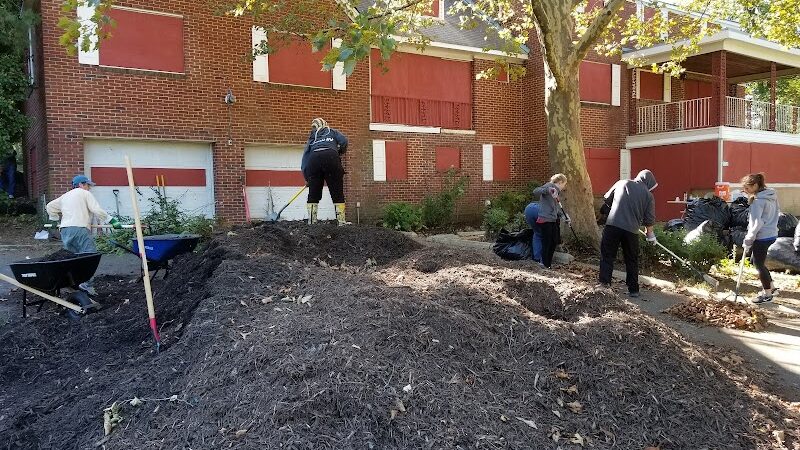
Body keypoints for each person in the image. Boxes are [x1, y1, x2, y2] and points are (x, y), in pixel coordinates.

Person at [46, 175, 121, 296]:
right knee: (89, 256)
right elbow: (95, 209)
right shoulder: (84, 193)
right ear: (81, 184)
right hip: (79, 229)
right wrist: (111, 220)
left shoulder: (65, 196)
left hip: (65, 230)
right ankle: (86, 285)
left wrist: (54, 219)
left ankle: (72, 284)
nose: (89, 188)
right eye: (88, 185)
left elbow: (50, 206)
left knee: (71, 258)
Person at [598, 169, 658, 298]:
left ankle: (604, 285)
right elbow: (649, 219)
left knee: (607, 256)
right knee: (631, 260)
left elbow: (607, 199)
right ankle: (633, 289)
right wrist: (650, 235)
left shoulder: (621, 183)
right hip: (632, 231)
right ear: (648, 182)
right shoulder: (648, 195)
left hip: (613, 225)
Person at [741, 173, 780, 304]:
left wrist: (748, 239)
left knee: (758, 265)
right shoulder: (771, 196)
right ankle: (772, 287)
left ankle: (767, 294)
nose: (745, 191)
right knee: (756, 261)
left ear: (755, 186)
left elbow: (757, 223)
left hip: (762, 236)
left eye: (747, 188)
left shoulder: (758, 201)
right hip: (772, 233)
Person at [301, 118, 348, 225]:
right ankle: (341, 222)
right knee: (337, 191)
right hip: (331, 158)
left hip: (314, 160)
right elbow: (344, 141)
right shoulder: (333, 132)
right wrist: (340, 151)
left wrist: (307, 178)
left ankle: (312, 222)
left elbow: (305, 159)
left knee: (313, 193)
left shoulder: (312, 138)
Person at [532, 174, 568, 269]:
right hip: (545, 219)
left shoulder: (557, 192)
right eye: (564, 184)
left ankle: (548, 264)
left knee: (554, 241)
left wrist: (564, 216)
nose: (564, 186)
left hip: (553, 219)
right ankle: (543, 263)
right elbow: (535, 191)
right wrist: (547, 190)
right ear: (560, 182)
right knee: (547, 242)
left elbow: (556, 207)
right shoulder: (549, 186)